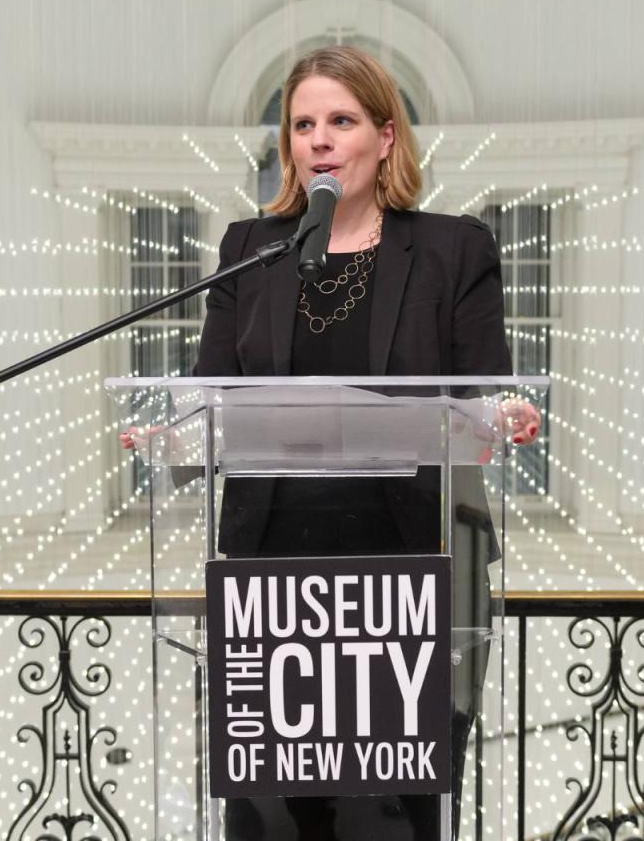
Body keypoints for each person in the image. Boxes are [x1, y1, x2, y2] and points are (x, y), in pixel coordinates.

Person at [122, 46, 539, 840]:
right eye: (303, 123)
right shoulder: (251, 249)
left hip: (411, 572)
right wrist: (169, 437)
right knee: (273, 812)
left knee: (396, 813)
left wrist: (508, 414)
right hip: (271, 577)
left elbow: (489, 390)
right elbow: (216, 399)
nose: (318, 138)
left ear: (386, 137)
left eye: (341, 121)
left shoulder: (453, 249)